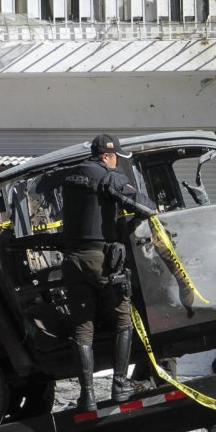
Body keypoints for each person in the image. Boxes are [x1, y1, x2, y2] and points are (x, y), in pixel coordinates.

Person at [61, 133, 156, 412]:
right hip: (99, 260)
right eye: (115, 158)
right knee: (123, 319)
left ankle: (87, 396)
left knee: (82, 327)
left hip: (72, 260)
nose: (116, 164)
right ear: (106, 156)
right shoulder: (107, 176)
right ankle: (119, 384)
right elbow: (144, 207)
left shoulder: (71, 176)